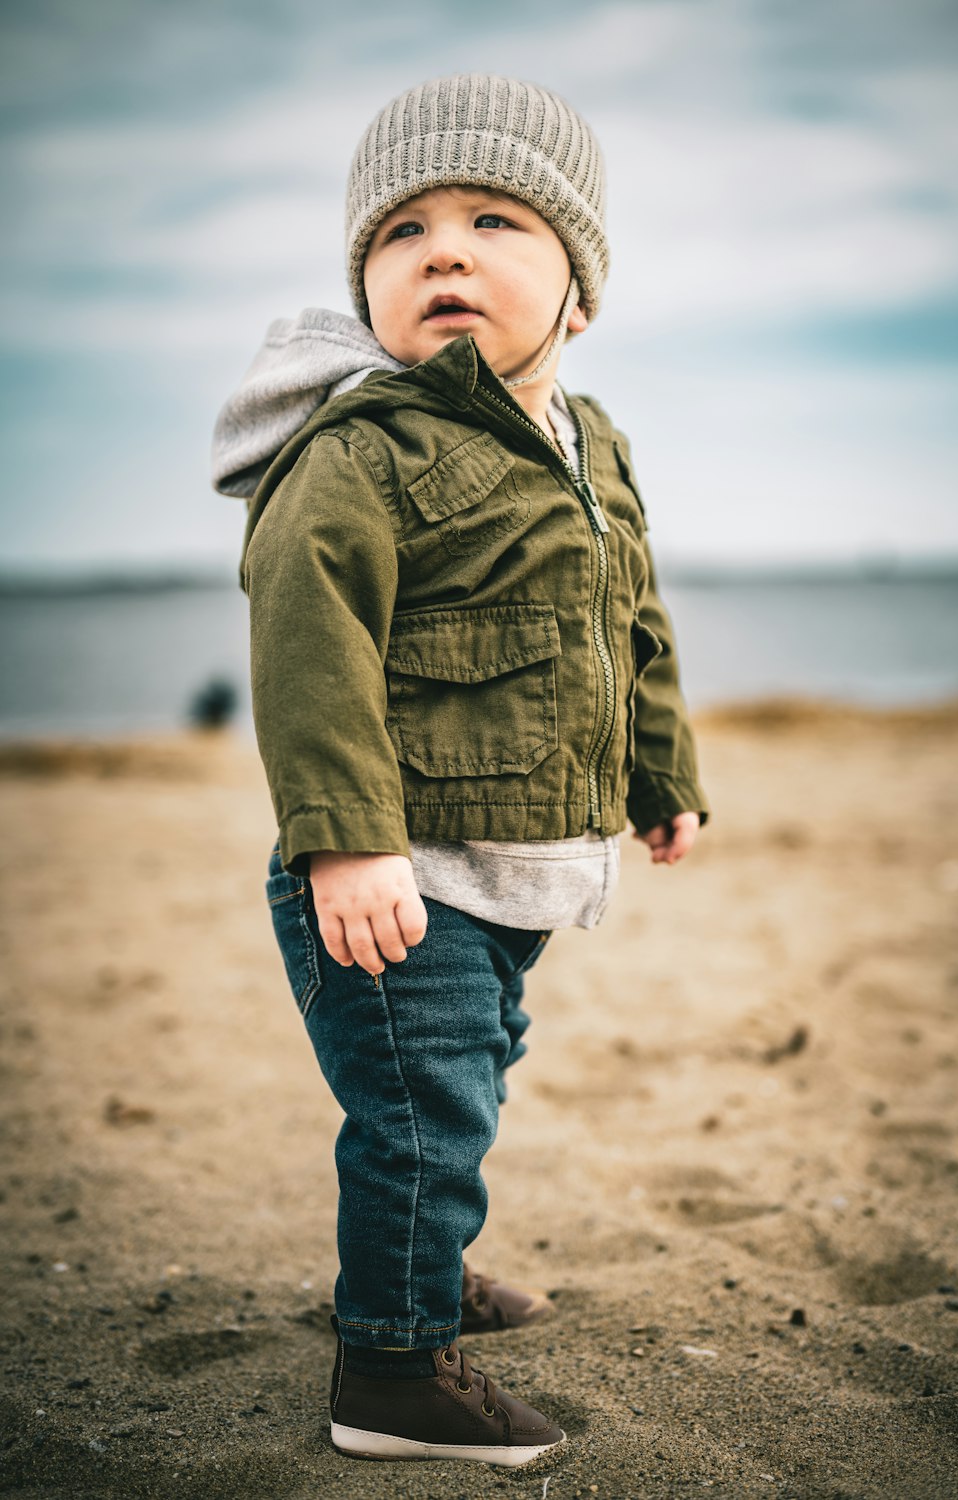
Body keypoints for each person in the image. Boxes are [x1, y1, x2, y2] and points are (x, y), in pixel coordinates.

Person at [212, 72, 709, 1469]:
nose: (443, 250)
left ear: (580, 293)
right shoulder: (361, 450)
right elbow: (309, 644)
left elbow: (633, 625)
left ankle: (414, 1274)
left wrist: (661, 776)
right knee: (422, 1110)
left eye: (497, 220)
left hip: (507, 871)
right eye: (401, 233)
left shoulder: (590, 445)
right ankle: (389, 1368)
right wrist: (344, 840)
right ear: (367, 284)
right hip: (395, 870)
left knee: (466, 1078)